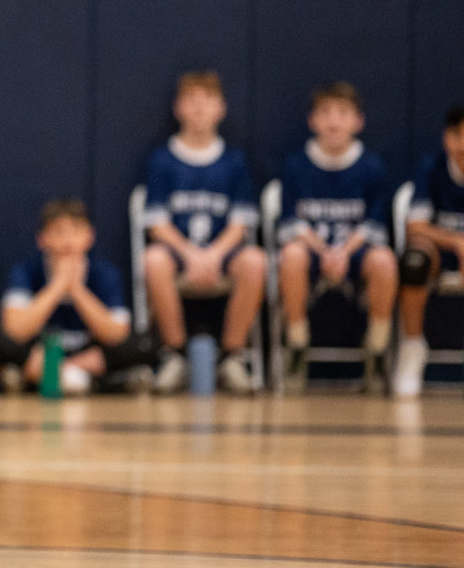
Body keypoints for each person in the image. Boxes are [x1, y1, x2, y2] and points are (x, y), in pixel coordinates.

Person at [139, 70, 267, 395]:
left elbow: (240, 224)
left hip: (222, 255)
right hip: (179, 253)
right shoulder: (162, 160)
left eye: (206, 100)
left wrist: (212, 255)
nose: (198, 108)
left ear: (220, 109)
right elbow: (157, 224)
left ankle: (232, 356)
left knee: (255, 261)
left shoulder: (234, 161)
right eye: (191, 100)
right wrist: (191, 255)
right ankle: (175, 354)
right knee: (153, 259)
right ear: (178, 108)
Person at [276, 82, 397, 394]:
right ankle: (297, 344)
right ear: (312, 121)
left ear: (358, 122)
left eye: (343, 113)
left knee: (385, 261)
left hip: (354, 253)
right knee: (291, 255)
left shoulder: (371, 167)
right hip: (313, 252)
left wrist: (343, 252)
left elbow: (375, 224)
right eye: (326, 113)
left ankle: (378, 348)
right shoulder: (295, 165)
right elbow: (289, 222)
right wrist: (324, 251)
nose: (333, 121)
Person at [0, 199, 149, 394]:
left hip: (87, 355)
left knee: (142, 344)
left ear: (90, 236)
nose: (68, 241)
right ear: (42, 238)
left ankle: (42, 375)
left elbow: (117, 333)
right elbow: (15, 329)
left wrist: (77, 289)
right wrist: (58, 285)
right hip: (39, 352)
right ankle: (92, 380)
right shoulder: (26, 271)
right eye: (58, 231)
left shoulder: (104, 273)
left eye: (76, 230)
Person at [395, 105, 464, 398]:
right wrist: (458, 242)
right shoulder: (431, 167)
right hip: (441, 252)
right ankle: (412, 346)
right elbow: (416, 226)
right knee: (414, 261)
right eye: (459, 136)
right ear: (447, 138)